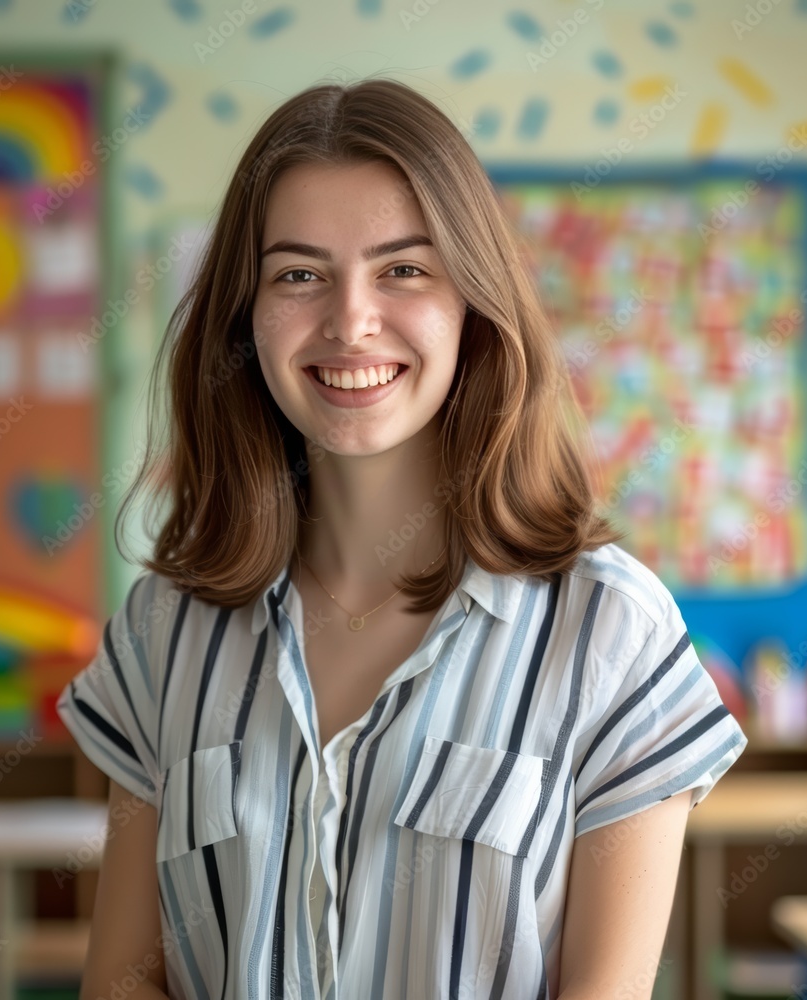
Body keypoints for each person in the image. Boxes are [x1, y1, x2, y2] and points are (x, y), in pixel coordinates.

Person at [57, 76, 748, 1000]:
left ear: (473, 303)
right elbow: (121, 981)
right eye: (298, 274)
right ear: (244, 316)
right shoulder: (162, 630)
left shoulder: (611, 635)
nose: (350, 321)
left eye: (404, 269)